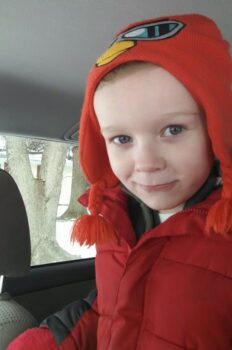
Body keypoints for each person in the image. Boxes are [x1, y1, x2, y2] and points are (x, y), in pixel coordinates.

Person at [8, 13, 232, 350]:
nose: (146, 163)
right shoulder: (117, 220)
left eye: (173, 130)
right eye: (122, 139)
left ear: (217, 129)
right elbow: (109, 309)